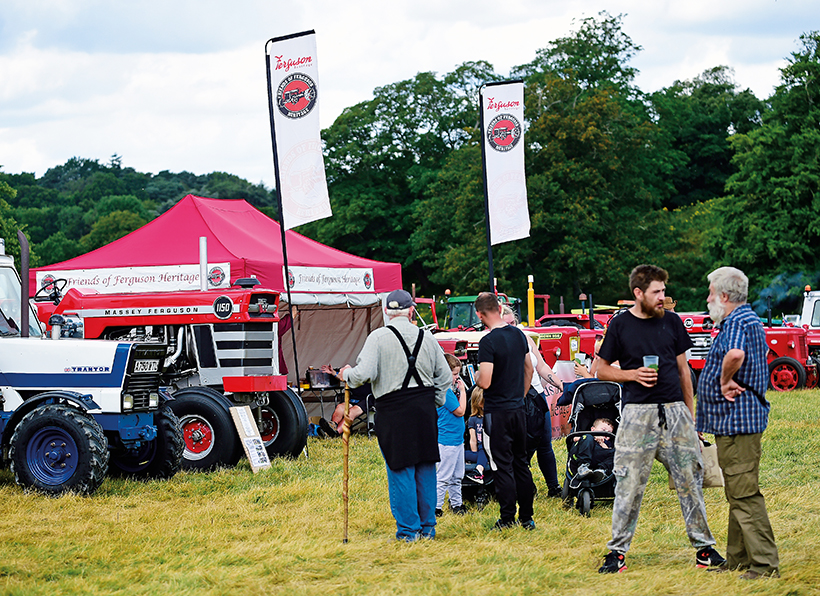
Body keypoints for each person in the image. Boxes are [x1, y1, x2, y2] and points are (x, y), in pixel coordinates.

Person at [596, 264, 725, 573]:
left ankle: (704, 551)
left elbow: (684, 371)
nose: (662, 297)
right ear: (638, 293)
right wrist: (631, 374)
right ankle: (617, 553)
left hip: (675, 412)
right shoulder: (620, 325)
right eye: (656, 291)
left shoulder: (673, 322)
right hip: (636, 416)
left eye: (663, 291)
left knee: (690, 480)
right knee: (628, 484)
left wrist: (691, 420)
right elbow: (599, 369)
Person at [336, 289, 451, 542]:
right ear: (412, 311)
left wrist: (346, 374)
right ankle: (427, 529)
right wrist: (436, 400)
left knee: (401, 469)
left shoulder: (378, 337)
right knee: (425, 466)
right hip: (423, 409)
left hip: (394, 410)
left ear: (387, 312)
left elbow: (362, 374)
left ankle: (408, 532)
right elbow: (445, 376)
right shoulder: (427, 337)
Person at [696, 267, 780, 580]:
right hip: (735, 423)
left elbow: (734, 354)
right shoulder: (746, 319)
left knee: (744, 493)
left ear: (725, 296)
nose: (707, 300)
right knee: (737, 489)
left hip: (738, 423)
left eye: (710, 294)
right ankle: (738, 558)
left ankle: (764, 565)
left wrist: (723, 381)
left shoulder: (736, 321)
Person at [474, 292, 535, 530]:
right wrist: (520, 395)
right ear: (499, 309)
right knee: (522, 463)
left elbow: (486, 381)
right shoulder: (519, 335)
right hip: (518, 409)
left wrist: (477, 376)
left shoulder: (488, 341)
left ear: (480, 314)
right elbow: (529, 368)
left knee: (502, 464)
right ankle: (527, 517)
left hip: (497, 411)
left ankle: (508, 517)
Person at [501, 305, 563, 498]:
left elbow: (542, 366)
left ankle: (553, 487)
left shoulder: (525, 337)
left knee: (545, 443)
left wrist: (559, 383)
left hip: (536, 396)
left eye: (514, 322)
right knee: (520, 447)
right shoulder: (497, 342)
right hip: (515, 398)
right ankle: (524, 485)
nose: (512, 326)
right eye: (507, 323)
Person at [436, 354, 468, 516]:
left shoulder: (449, 390)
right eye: (455, 374)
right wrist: (463, 392)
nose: (457, 377)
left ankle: (457, 504)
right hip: (447, 440)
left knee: (457, 476)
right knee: (443, 476)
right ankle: (437, 506)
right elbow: (460, 411)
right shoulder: (445, 392)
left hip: (456, 439)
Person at [569, 418, 615, 486]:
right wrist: (593, 437)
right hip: (584, 454)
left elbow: (607, 451)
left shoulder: (607, 442)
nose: (606, 434)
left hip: (600, 459)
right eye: (603, 430)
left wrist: (601, 443)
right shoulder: (588, 437)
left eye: (609, 433)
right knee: (587, 437)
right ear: (593, 429)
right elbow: (575, 439)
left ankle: (601, 470)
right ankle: (583, 466)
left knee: (615, 453)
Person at [465, 386, 488, 483]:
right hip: (479, 451)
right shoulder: (473, 419)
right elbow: (473, 439)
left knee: (484, 449)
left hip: (489, 449)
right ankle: (478, 463)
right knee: (461, 454)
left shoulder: (490, 416)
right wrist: (474, 454)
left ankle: (479, 470)